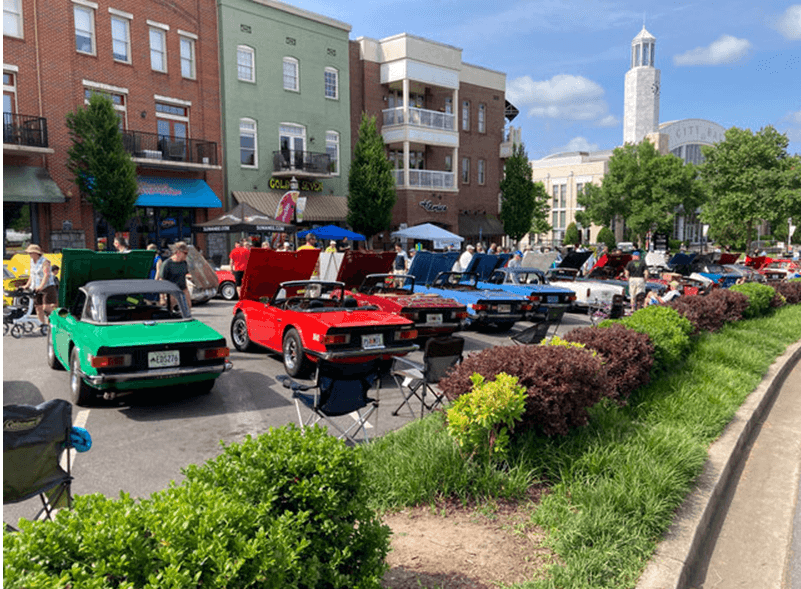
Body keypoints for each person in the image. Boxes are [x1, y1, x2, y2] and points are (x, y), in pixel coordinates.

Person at [23, 244, 58, 325]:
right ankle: (42, 325)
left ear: (36, 253)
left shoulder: (45, 261)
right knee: (38, 307)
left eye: (31, 253)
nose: (29, 255)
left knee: (46, 307)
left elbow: (47, 275)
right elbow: (32, 275)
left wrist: (41, 286)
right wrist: (27, 285)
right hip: (36, 287)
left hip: (47, 286)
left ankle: (57, 319)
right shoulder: (32, 261)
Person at [158, 241, 192, 311]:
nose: (186, 255)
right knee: (173, 310)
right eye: (185, 253)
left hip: (183, 289)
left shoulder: (184, 263)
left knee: (188, 307)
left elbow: (184, 274)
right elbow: (161, 280)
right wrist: (162, 297)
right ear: (178, 252)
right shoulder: (167, 264)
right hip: (172, 291)